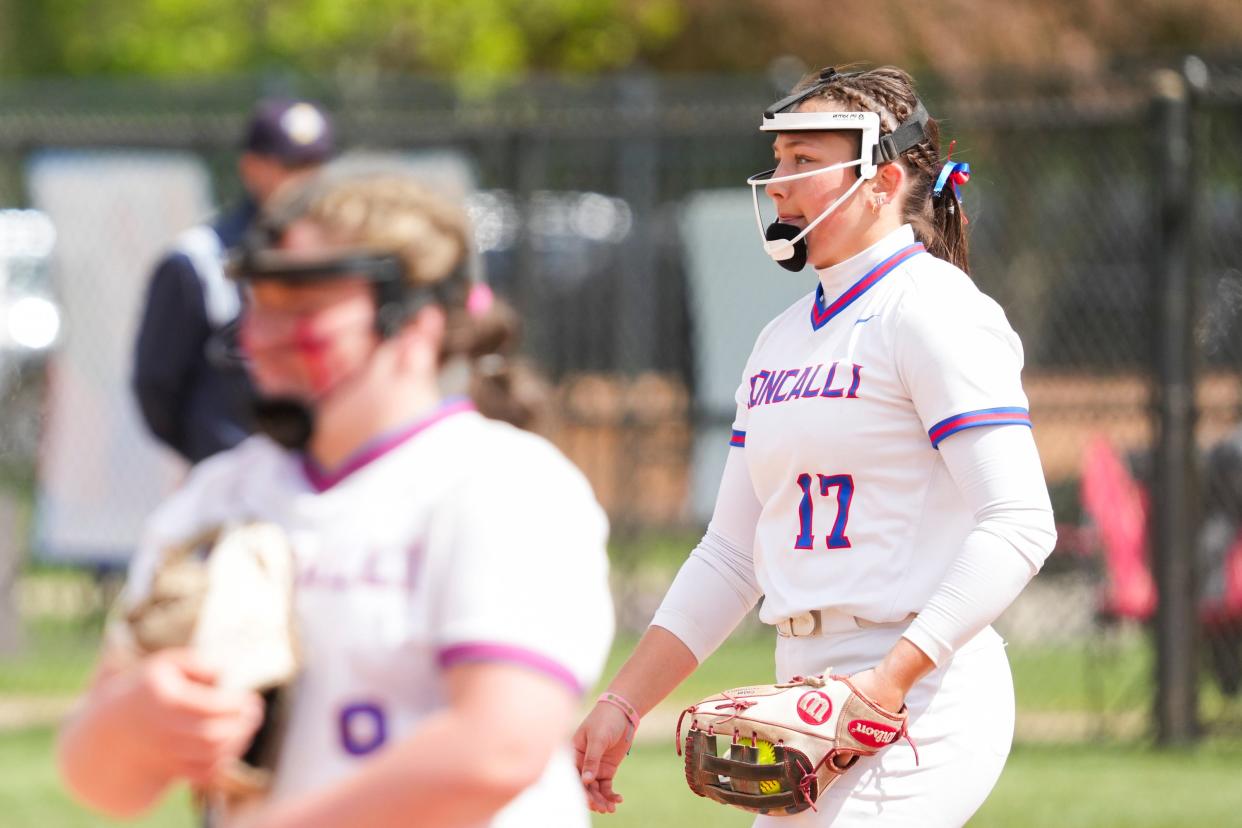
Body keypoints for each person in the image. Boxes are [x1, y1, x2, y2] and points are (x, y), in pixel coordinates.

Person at [58, 164, 615, 827]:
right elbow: (100, 783)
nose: (263, 332)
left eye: (305, 304)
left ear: (417, 320)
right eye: (261, 301)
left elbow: (496, 749)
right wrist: (134, 719)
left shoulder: (504, 482)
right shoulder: (218, 495)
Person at [574, 65, 1057, 827]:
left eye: (806, 162)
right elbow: (731, 556)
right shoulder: (781, 338)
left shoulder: (932, 310)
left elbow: (1020, 523)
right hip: (806, 689)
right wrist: (623, 703)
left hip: (920, 685)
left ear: (882, 180)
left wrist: (890, 680)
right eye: (778, 162)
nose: (777, 183)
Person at [132, 97, 335, 464]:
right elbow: (157, 387)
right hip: (232, 481)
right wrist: (211, 458)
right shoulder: (198, 259)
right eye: (290, 165)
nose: (306, 180)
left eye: (315, 165)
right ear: (251, 168)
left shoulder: (341, 260)